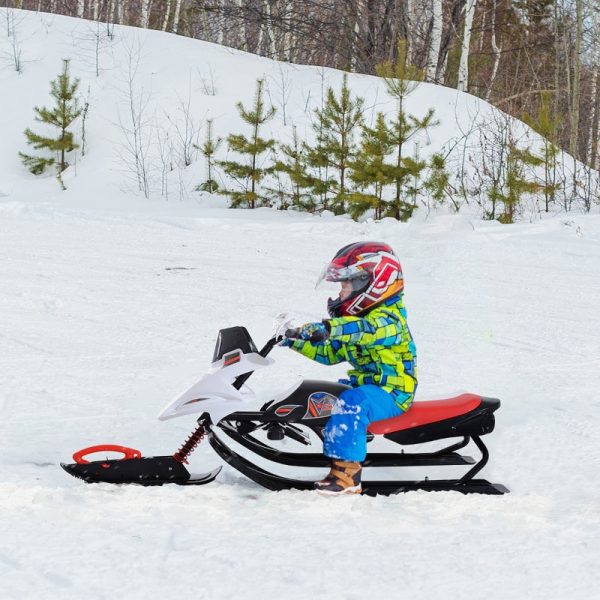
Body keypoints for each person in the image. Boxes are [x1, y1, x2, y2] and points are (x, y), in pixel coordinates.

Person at [281, 241, 417, 495]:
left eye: (345, 285)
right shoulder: (359, 323)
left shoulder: (388, 321)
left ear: (373, 283)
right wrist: (294, 341)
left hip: (393, 393)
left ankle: (347, 476)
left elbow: (364, 331)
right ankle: (340, 446)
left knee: (351, 402)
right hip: (366, 387)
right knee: (326, 393)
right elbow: (330, 353)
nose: (340, 292)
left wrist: (330, 328)